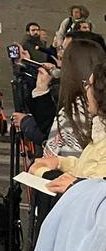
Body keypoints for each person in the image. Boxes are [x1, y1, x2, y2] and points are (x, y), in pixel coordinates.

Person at [29, 60, 106, 192]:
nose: (86, 89)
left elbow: (94, 190)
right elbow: (89, 167)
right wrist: (60, 162)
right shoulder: (100, 129)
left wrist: (43, 173)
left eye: (89, 85)